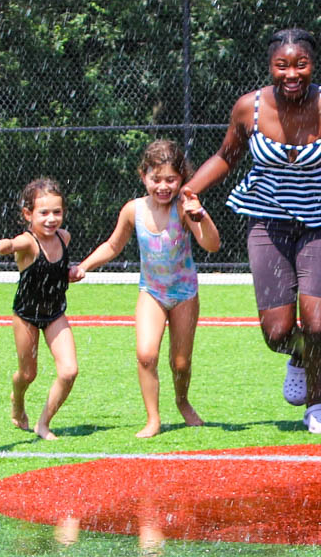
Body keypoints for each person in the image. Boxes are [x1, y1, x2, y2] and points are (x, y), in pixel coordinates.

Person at [182, 27, 321, 435]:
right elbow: (227, 155)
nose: (291, 73)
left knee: (317, 325)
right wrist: (192, 188)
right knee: (277, 333)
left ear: (312, 66)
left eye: (301, 64)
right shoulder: (249, 108)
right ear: (270, 68)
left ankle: (316, 404)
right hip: (268, 223)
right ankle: (299, 355)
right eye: (282, 65)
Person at [76, 141, 221, 438]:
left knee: (181, 362)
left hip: (184, 294)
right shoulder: (134, 210)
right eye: (156, 179)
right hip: (152, 292)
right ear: (143, 176)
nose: (163, 186)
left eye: (171, 179)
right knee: (146, 355)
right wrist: (84, 266)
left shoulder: (183, 208)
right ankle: (153, 418)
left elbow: (212, 245)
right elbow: (113, 245)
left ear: (181, 178)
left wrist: (201, 215)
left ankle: (182, 400)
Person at [0, 177, 81, 441]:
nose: (51, 219)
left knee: (69, 370)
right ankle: (17, 398)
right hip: (26, 314)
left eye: (57, 212)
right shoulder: (28, 242)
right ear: (28, 214)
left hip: (55, 313)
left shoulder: (64, 237)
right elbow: (10, 244)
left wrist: (69, 272)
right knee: (28, 373)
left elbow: (57, 271)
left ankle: (43, 423)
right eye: (44, 213)